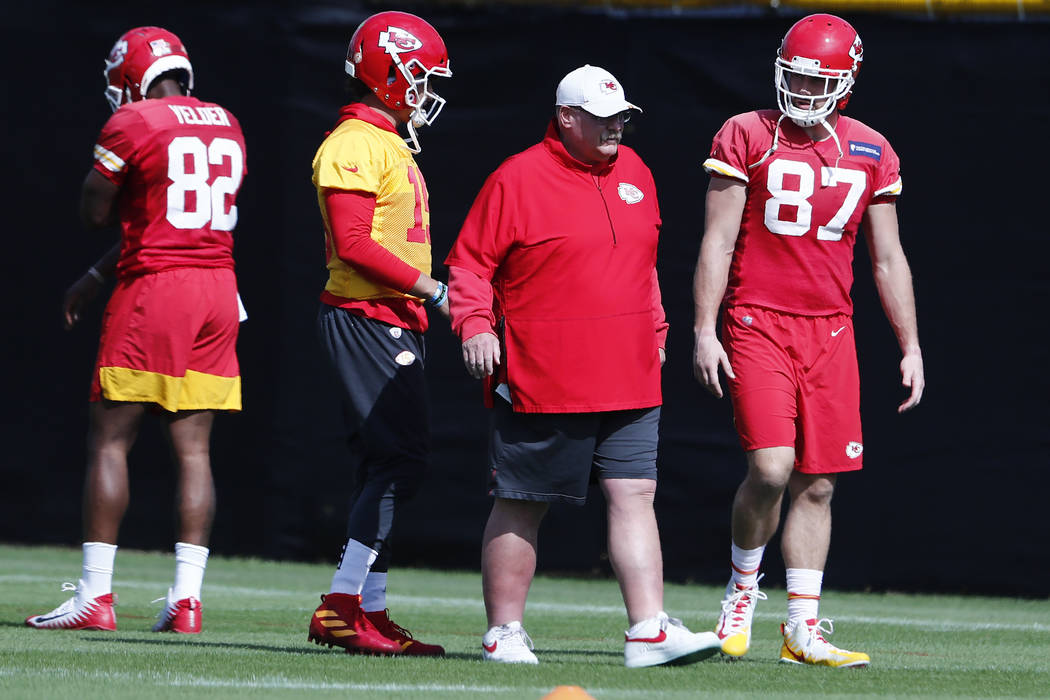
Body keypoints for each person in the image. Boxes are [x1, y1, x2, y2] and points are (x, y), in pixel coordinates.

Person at [445, 64, 721, 668]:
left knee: (635, 493)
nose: (616, 128)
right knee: (523, 500)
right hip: (543, 374)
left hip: (628, 371)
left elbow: (644, 264)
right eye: (602, 119)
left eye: (622, 117)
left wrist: (657, 326)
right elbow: (469, 267)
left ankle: (648, 629)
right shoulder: (515, 179)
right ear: (566, 118)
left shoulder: (638, 173)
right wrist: (474, 325)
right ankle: (504, 632)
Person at [692, 14, 924, 668]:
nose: (801, 89)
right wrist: (704, 328)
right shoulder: (747, 133)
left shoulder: (872, 150)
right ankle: (741, 590)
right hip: (758, 318)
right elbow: (718, 239)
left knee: (819, 484)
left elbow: (888, 259)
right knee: (771, 468)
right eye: (793, 75)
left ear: (848, 81)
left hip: (831, 329)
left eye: (816, 79)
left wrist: (910, 344)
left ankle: (802, 628)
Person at [25, 26, 248, 635]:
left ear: (129, 76)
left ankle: (95, 596)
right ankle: (187, 602)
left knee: (110, 440)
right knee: (195, 450)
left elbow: (96, 210)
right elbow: (179, 217)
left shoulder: (134, 122)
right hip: (218, 291)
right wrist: (98, 275)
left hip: (158, 291)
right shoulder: (226, 121)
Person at [304, 11, 450, 657]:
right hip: (366, 316)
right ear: (385, 73)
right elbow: (355, 243)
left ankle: (370, 607)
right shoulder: (354, 143)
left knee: (386, 462)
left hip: (391, 318)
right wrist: (436, 289)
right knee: (398, 458)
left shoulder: (388, 141)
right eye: (417, 77)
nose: (424, 91)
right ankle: (341, 603)